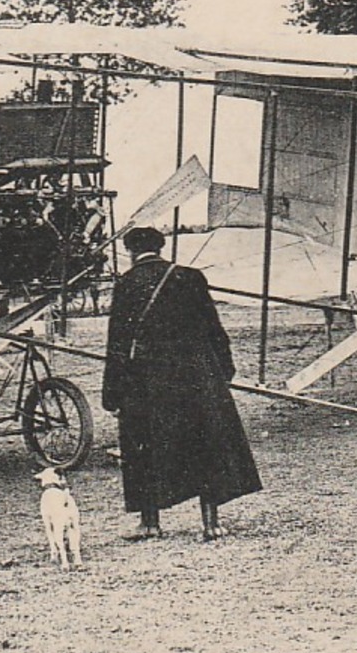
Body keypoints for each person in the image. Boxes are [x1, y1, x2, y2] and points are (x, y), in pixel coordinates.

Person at [102, 225, 261, 541]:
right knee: (203, 444)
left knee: (144, 445)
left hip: (146, 377)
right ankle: (210, 523)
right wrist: (222, 371)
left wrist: (113, 391)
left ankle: (150, 523)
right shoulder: (190, 277)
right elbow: (213, 327)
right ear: (161, 248)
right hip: (195, 375)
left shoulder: (127, 284)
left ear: (131, 252)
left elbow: (117, 341)